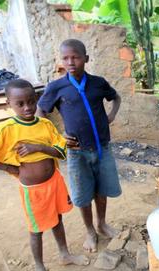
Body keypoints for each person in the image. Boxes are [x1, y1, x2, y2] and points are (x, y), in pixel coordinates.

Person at [0, 79, 89, 271]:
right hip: (32, 191)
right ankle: (40, 268)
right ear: (9, 103)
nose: (27, 108)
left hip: (54, 182)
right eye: (20, 103)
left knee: (57, 220)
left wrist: (38, 147)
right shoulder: (7, 129)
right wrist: (8, 168)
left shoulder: (45, 125)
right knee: (36, 230)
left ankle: (64, 254)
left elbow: (61, 151)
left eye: (31, 101)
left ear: (37, 100)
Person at [37, 39, 122, 253]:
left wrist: (111, 115)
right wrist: (58, 137)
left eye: (75, 57)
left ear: (86, 58)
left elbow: (116, 98)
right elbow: (40, 115)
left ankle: (102, 224)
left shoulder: (98, 83)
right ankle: (90, 231)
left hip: (102, 147)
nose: (70, 61)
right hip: (77, 152)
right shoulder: (57, 87)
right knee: (84, 194)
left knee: (101, 189)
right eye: (65, 58)